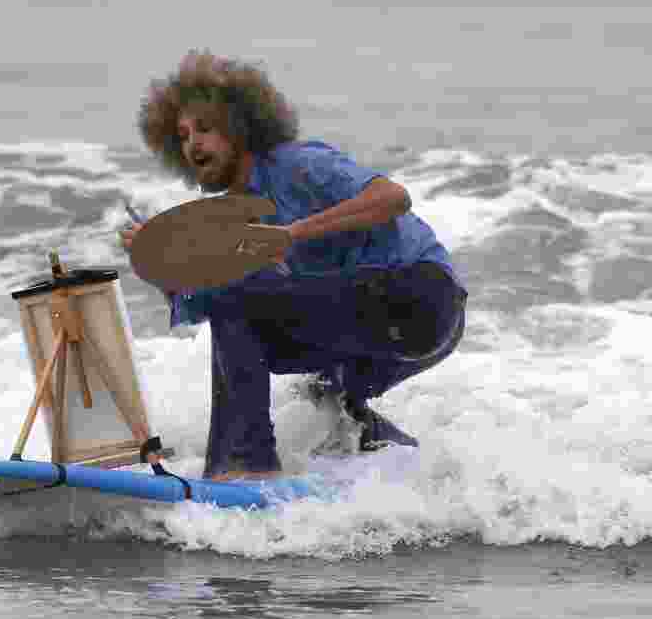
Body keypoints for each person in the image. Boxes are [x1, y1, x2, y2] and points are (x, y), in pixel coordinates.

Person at [121, 50, 467, 481]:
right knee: (322, 404)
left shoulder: (298, 162)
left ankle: (246, 466)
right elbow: (213, 311)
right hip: (387, 335)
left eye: (206, 128)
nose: (193, 143)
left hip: (421, 295)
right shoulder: (230, 217)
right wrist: (157, 263)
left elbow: (393, 198)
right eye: (184, 135)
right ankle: (412, 470)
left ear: (240, 127)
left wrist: (294, 233)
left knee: (239, 302)